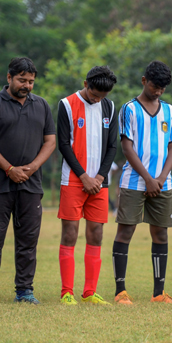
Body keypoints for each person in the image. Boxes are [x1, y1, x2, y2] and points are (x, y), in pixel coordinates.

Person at [0, 57, 56, 304]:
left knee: (28, 242)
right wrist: (9, 168)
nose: (27, 85)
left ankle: (24, 291)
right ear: (9, 77)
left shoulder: (41, 105)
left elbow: (50, 141)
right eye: (22, 80)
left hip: (31, 186)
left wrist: (31, 168)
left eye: (31, 81)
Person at [112, 61, 172, 304]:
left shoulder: (170, 111)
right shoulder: (129, 109)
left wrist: (161, 178)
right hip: (134, 181)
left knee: (160, 235)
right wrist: (147, 178)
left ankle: (158, 293)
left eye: (162, 88)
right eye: (154, 86)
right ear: (144, 81)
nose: (158, 91)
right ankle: (120, 291)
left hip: (163, 183)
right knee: (126, 231)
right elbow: (126, 146)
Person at [57, 66, 118, 305]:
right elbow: (63, 144)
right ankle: (67, 293)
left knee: (96, 233)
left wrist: (100, 178)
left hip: (99, 184)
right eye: (94, 94)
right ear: (85, 83)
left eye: (102, 96)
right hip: (73, 180)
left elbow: (112, 146)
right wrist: (83, 176)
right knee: (70, 234)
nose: (97, 99)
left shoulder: (110, 107)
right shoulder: (66, 104)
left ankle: (90, 292)